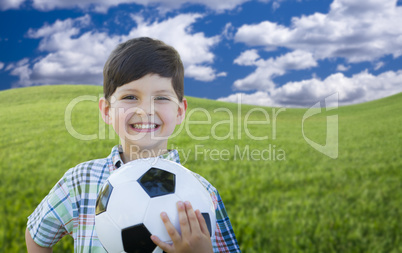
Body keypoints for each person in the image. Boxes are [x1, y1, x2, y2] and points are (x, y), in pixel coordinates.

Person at [25, 37, 241, 253]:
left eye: (161, 98)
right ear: (107, 111)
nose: (145, 109)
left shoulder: (202, 193)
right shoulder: (80, 180)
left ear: (180, 111)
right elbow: (36, 235)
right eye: (130, 96)